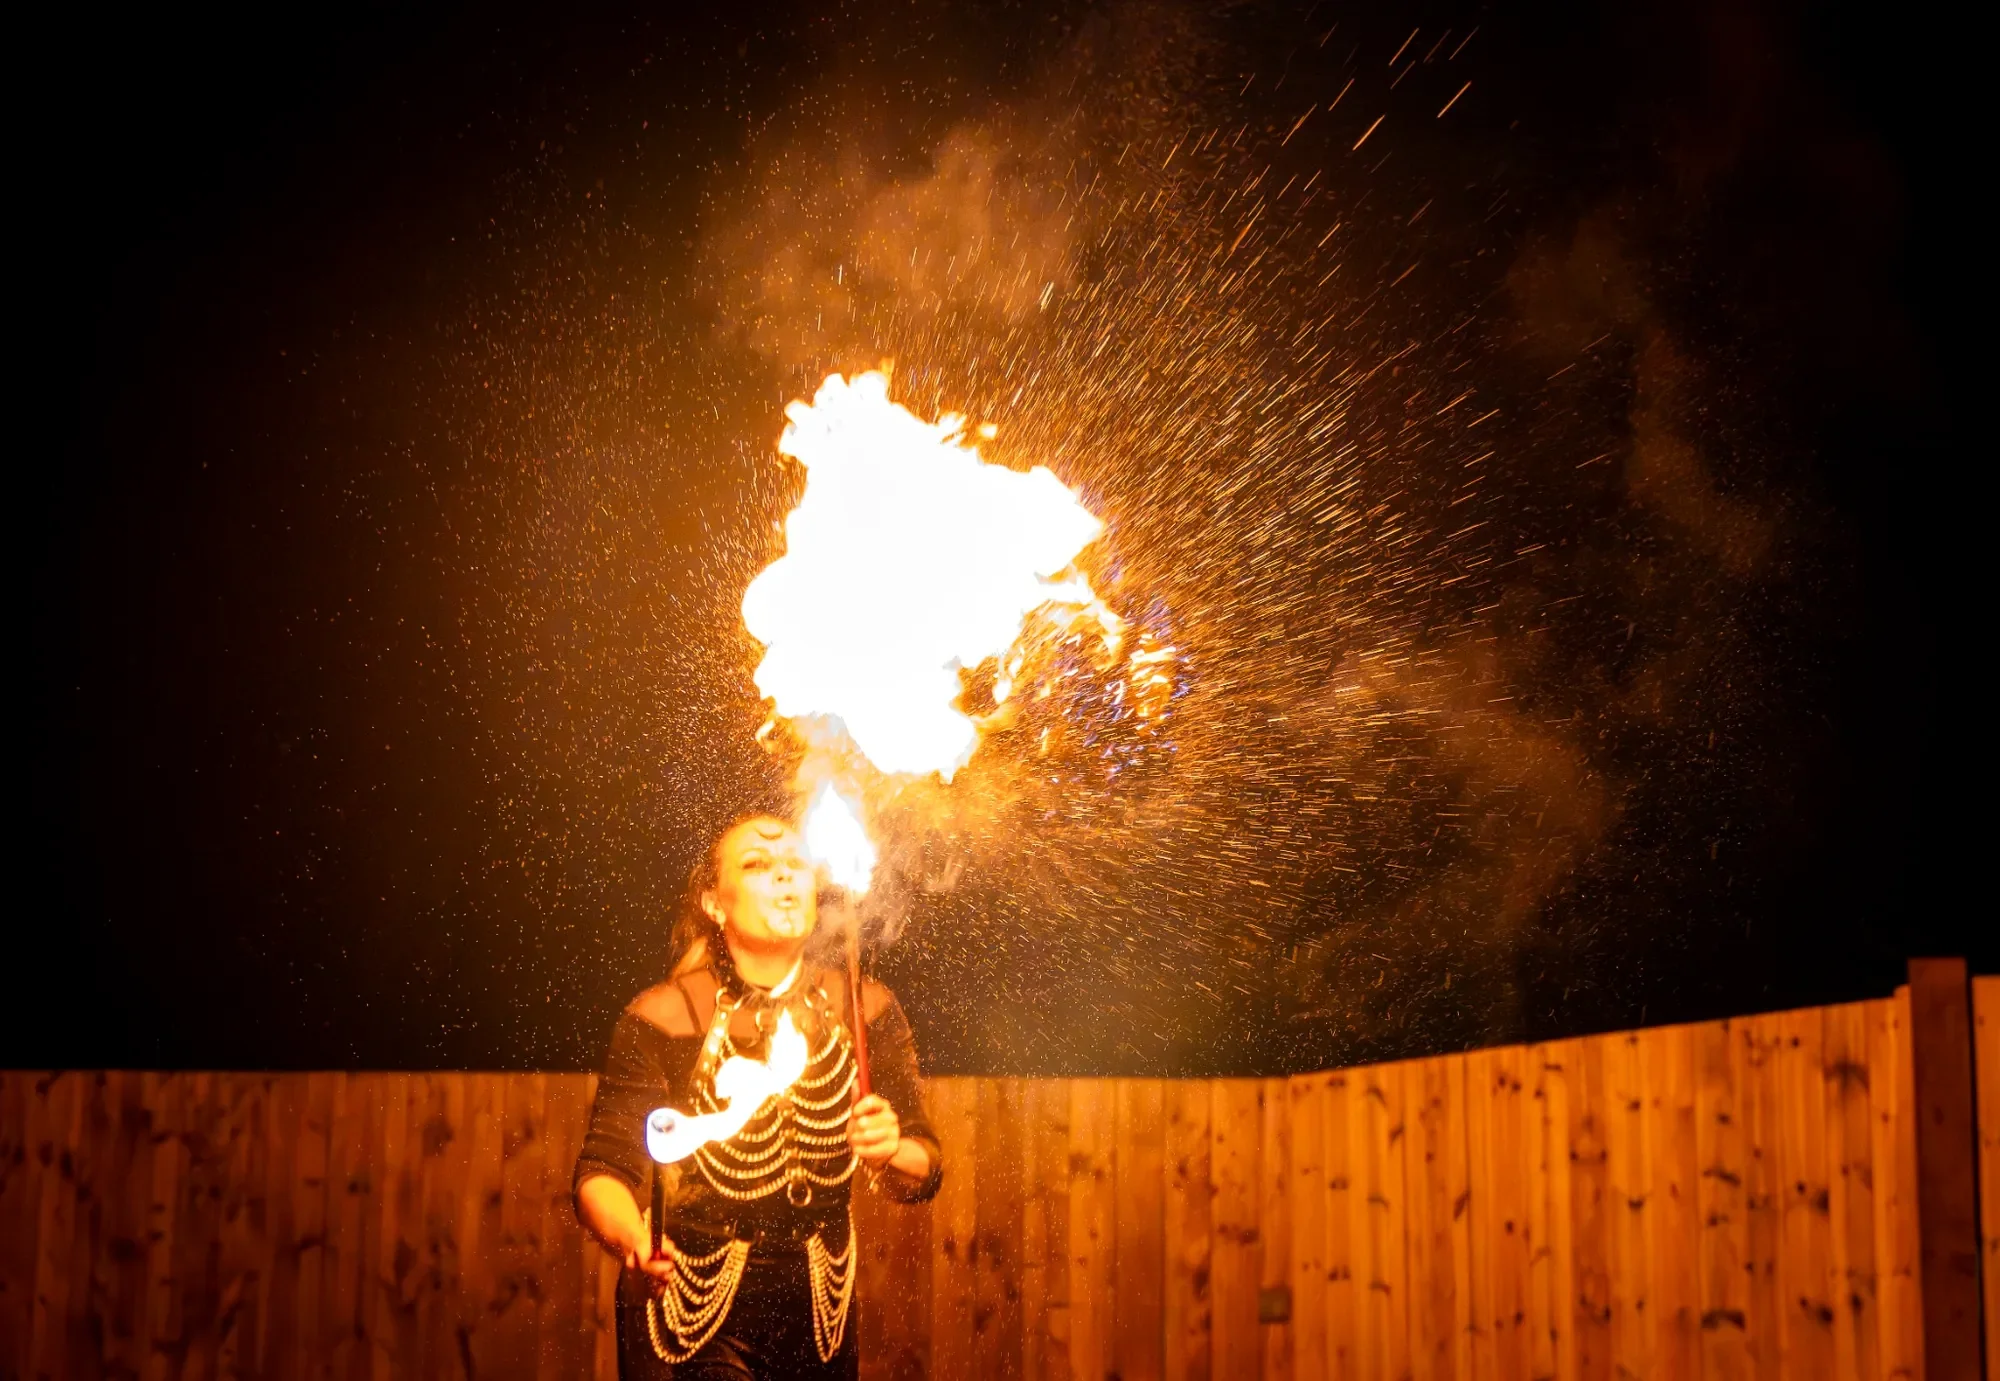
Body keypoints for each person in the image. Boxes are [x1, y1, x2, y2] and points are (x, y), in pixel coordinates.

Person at [574, 812, 941, 1379]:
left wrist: (892, 1147)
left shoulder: (865, 1009)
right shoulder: (665, 1017)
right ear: (714, 903)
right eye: (757, 865)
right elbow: (602, 1170)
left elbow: (924, 1167)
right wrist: (633, 1238)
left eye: (796, 864)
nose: (784, 876)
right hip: (688, 1300)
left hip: (820, 1302)